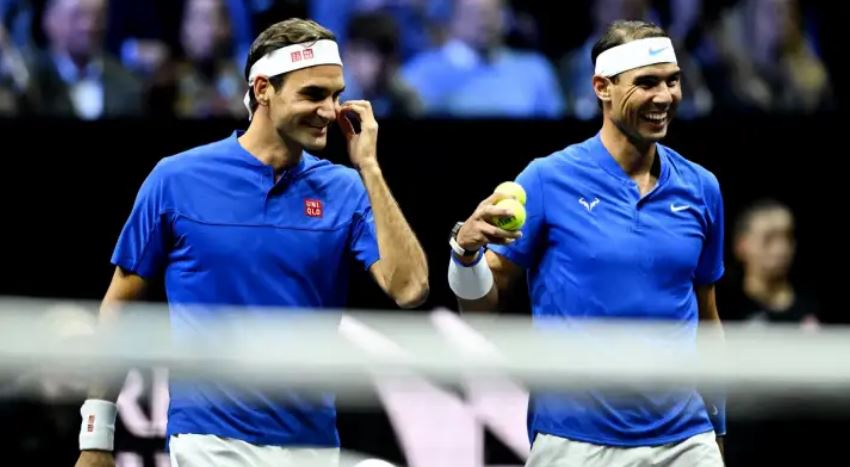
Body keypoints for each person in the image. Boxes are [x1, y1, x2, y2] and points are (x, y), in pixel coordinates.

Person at [74, 17, 429, 467]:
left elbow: (410, 288)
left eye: (336, 95)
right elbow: (120, 309)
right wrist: (96, 435)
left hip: (314, 445)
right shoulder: (175, 179)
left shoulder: (346, 189)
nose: (329, 111)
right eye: (313, 94)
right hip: (208, 442)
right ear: (263, 90)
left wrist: (370, 169)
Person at [448, 20, 726, 467]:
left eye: (673, 81)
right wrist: (465, 255)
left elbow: (707, 318)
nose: (664, 97)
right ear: (602, 88)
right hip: (575, 441)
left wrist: (717, 425)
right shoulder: (546, 179)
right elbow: (481, 307)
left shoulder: (702, 187)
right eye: (646, 83)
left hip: (686, 440)